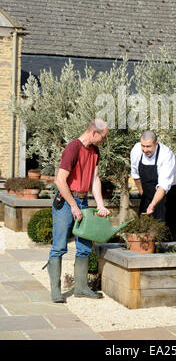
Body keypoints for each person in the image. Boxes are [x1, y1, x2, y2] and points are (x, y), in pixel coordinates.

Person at [45, 119, 110, 303]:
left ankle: (81, 287)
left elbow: (95, 179)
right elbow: (60, 180)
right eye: (103, 137)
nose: (104, 140)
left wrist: (100, 204)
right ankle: (56, 291)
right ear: (94, 133)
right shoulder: (73, 148)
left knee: (84, 246)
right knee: (59, 246)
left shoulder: (95, 151)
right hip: (65, 201)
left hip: (82, 200)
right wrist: (73, 205)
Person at [130, 131, 176, 242]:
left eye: (148, 146)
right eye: (143, 146)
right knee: (144, 232)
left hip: (168, 195)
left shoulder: (166, 155)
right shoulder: (136, 151)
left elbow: (163, 186)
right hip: (148, 193)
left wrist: (152, 204)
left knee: (165, 235)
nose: (145, 149)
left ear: (156, 143)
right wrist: (143, 194)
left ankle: (166, 258)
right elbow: (136, 176)